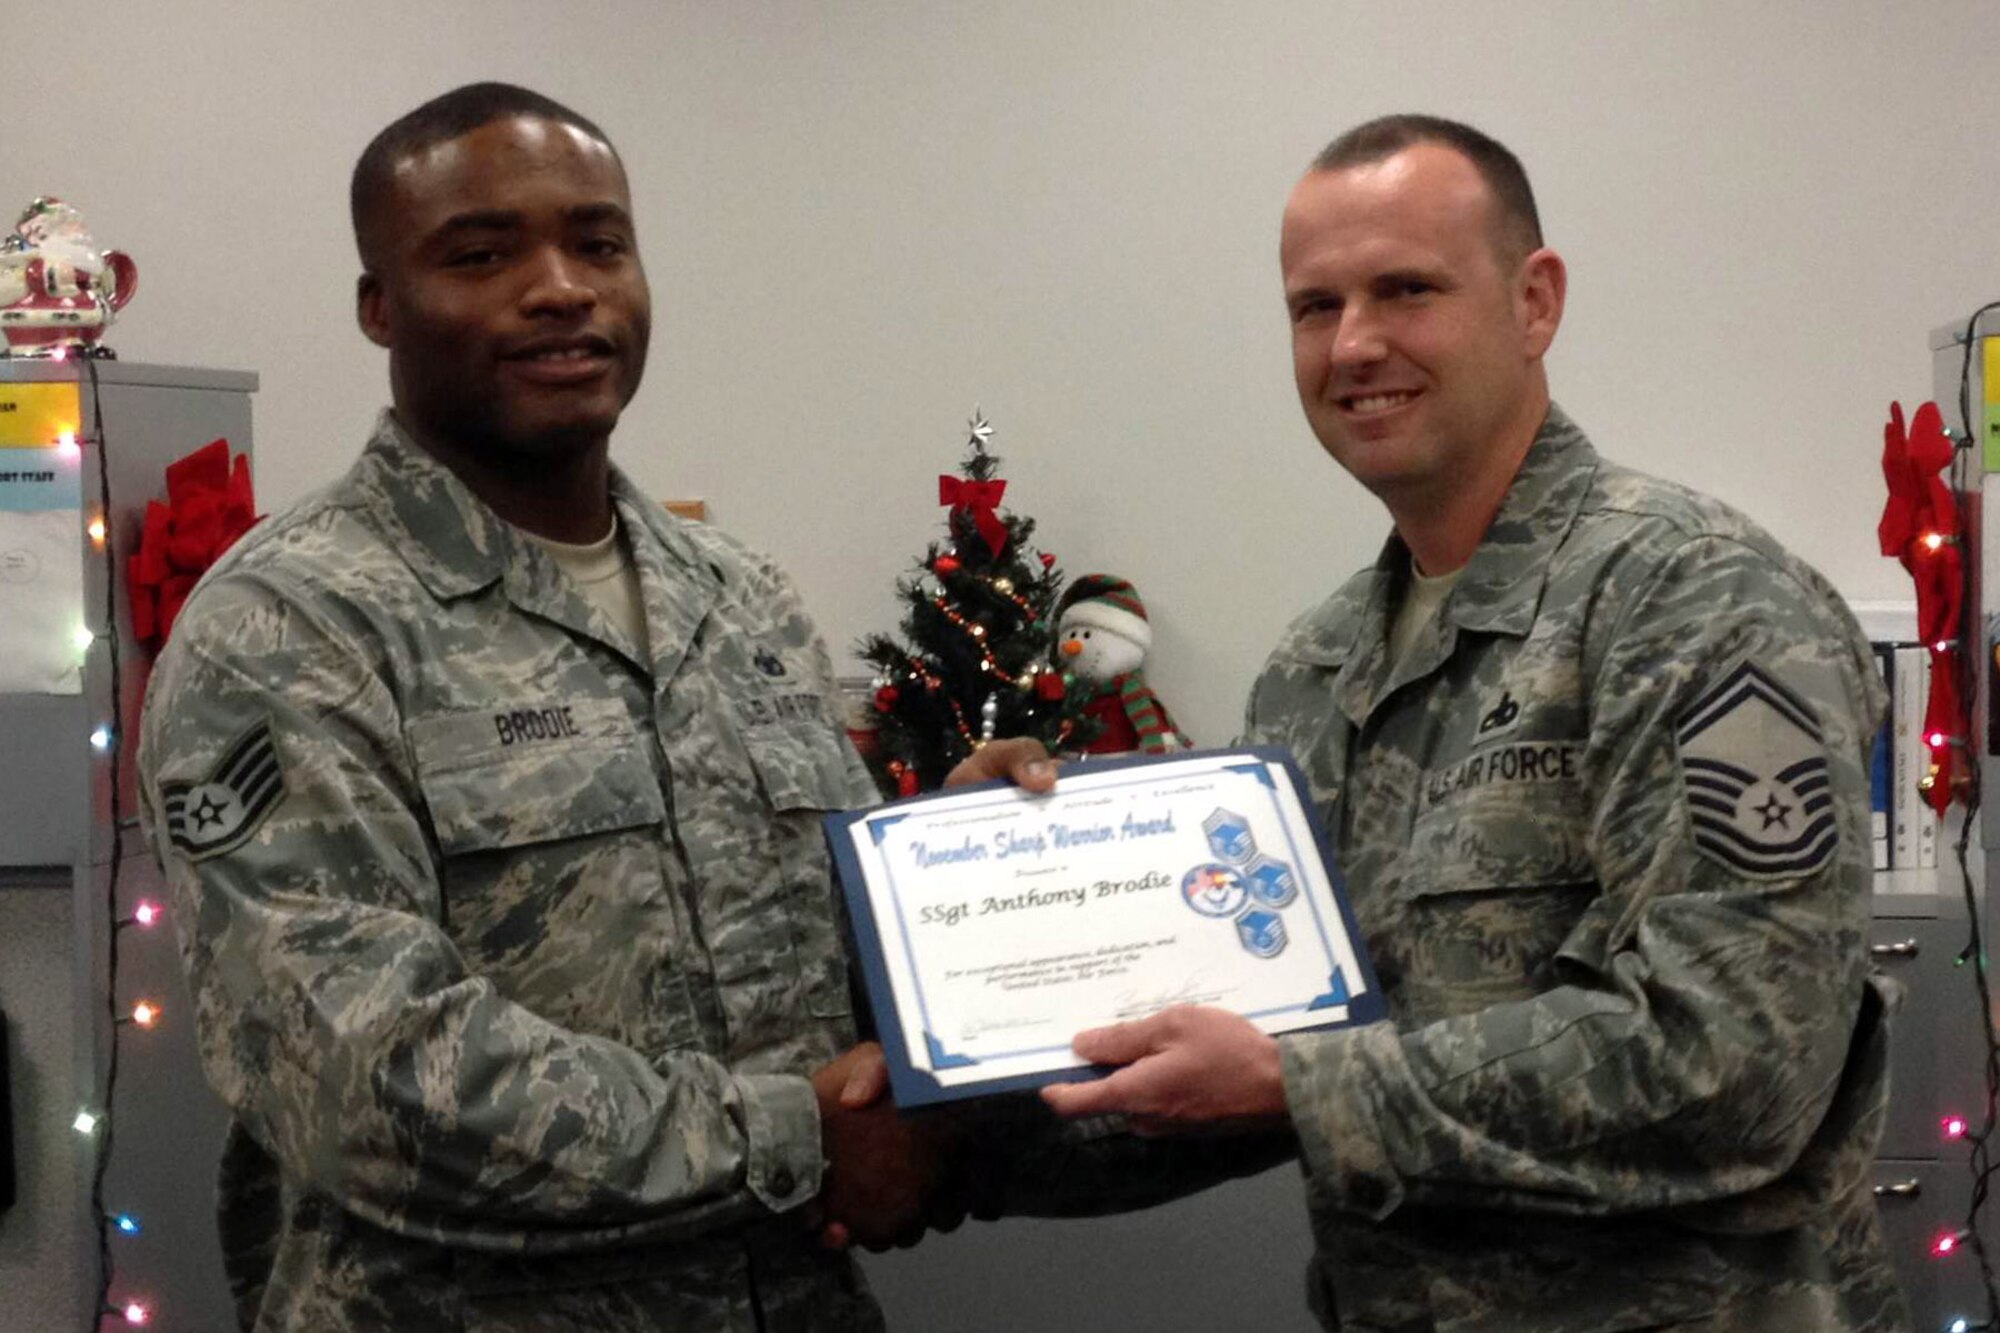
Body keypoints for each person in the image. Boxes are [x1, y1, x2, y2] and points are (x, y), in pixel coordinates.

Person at [1033, 115, 1912, 1331]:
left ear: (1533, 301)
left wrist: (1296, 1084)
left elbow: (1733, 1065)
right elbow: (1260, 1057)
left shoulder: (1698, 599)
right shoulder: (1314, 664)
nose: (1353, 344)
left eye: (1405, 289)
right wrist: (923, 1132)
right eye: (1312, 305)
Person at [138, 82, 957, 1332]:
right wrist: (792, 1136)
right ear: (380, 306)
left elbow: (830, 975)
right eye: (480, 254)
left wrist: (968, 877)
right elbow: (366, 1081)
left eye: (598, 242)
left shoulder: (740, 600)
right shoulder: (292, 627)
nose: (561, 286)